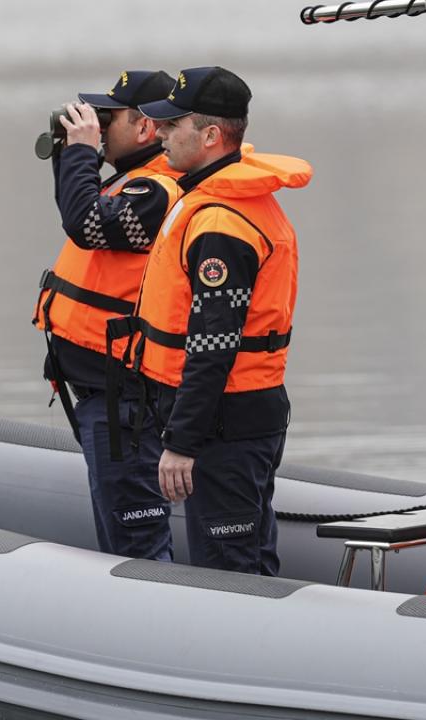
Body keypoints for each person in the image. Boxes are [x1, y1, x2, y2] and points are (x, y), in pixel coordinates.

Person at [126, 66, 313, 575]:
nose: (159, 134)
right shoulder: (219, 203)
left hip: (225, 426)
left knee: (230, 570)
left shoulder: (222, 225)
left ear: (210, 136)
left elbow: (215, 345)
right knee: (243, 556)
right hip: (236, 417)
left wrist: (182, 443)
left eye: (172, 125)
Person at [32, 70, 181, 561]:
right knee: (123, 541)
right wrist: (71, 155)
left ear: (144, 129)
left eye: (107, 117)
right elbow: (79, 214)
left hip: (128, 403)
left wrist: (79, 153)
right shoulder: (136, 181)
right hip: (107, 396)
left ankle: (159, 627)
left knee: (137, 547)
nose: (96, 124)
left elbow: (86, 225)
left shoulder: (159, 191)